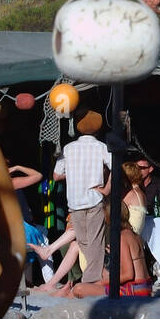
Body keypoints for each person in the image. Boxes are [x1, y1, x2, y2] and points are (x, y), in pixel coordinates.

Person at [53, 109, 111, 285]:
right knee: (94, 242)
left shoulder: (68, 148)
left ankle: (90, 279)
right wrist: (107, 189)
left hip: (75, 201)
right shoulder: (102, 147)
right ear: (98, 128)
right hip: (94, 199)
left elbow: (56, 175)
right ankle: (93, 278)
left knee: (85, 242)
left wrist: (73, 173)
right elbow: (116, 167)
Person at [57, 198, 152, 298]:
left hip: (135, 290)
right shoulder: (133, 234)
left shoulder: (122, 237)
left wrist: (99, 284)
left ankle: (63, 300)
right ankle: (66, 296)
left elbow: (128, 274)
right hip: (144, 287)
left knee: (79, 289)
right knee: (97, 276)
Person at [121, 161, 148, 236]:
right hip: (137, 233)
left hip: (130, 233)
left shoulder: (132, 194)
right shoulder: (141, 193)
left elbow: (117, 210)